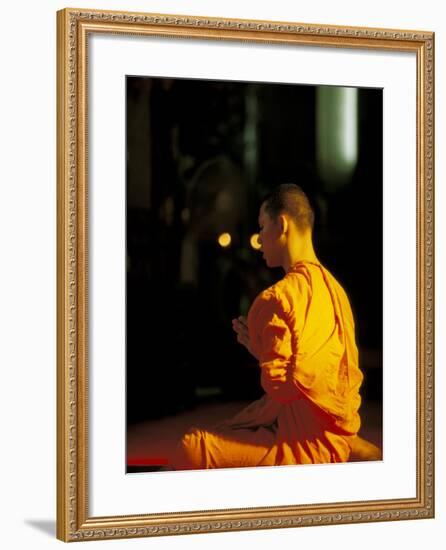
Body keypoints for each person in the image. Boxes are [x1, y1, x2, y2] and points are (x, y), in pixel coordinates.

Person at [171, 183, 381, 470]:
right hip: (335, 431)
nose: (258, 240)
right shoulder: (336, 291)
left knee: (192, 447)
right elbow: (317, 376)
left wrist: (263, 351)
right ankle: (346, 447)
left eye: (261, 227)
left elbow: (282, 390)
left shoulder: (277, 299)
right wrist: (262, 350)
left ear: (281, 225)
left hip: (303, 444)